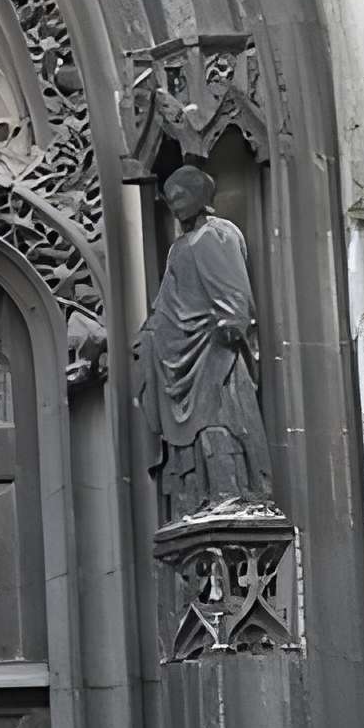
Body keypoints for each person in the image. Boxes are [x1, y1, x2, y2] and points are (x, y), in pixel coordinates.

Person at [133, 163, 275, 521]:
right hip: (180, 350)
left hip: (213, 348)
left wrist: (231, 321)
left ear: (200, 196)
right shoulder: (179, 247)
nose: (175, 204)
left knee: (220, 420)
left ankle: (234, 494)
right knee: (193, 432)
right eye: (170, 198)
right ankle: (204, 497)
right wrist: (152, 333)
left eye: (181, 195)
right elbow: (170, 297)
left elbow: (233, 291)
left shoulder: (219, 233)